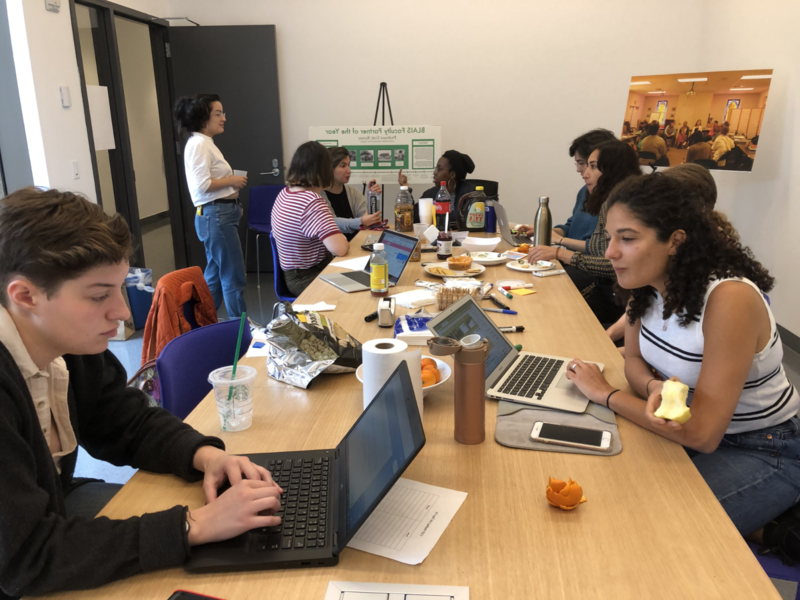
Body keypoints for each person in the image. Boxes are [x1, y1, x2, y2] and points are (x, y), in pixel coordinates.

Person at [0, 188, 282, 597]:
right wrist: (193, 525)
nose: (122, 312)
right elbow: (24, 558)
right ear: (25, 296)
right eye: (99, 296)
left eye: (120, 288)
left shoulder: (65, 343)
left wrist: (204, 455)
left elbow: (123, 419)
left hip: (46, 517)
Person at [565, 173, 800, 555]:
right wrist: (650, 388)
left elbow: (703, 434)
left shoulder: (728, 300)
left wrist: (606, 395)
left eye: (627, 238)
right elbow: (636, 359)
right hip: (691, 429)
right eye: (610, 237)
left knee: (649, 536)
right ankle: (759, 527)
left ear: (674, 241)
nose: (610, 252)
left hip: (762, 447)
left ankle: (770, 524)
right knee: (603, 491)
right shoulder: (648, 283)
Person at [605, 163, 718, 351]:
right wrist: (608, 338)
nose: (610, 252)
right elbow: (643, 351)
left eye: (627, 238)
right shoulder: (651, 274)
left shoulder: (717, 284)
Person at [527, 140, 641, 325]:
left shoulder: (625, 207)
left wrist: (560, 251)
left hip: (614, 297)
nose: (584, 173)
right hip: (604, 290)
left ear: (614, 170)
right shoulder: (603, 201)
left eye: (592, 166)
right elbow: (590, 242)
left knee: (553, 313)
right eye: (584, 165)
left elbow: (610, 262)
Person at [175, 94, 248, 319]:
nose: (223, 118)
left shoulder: (204, 143)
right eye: (218, 114)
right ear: (202, 118)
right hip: (216, 215)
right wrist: (232, 182)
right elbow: (201, 186)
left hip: (218, 215)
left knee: (215, 274)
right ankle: (240, 330)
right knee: (233, 275)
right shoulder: (198, 144)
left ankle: (203, 325)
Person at [518, 129, 616, 253]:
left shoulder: (616, 200)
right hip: (572, 259)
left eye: (584, 164)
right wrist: (543, 231)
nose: (580, 170)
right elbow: (571, 226)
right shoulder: (585, 191)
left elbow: (600, 249)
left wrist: (560, 240)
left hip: (585, 265)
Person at [271, 141, 350, 297]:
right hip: (308, 276)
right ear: (323, 170)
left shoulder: (285, 193)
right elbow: (340, 249)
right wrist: (343, 240)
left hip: (294, 275)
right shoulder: (311, 202)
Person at [319, 146, 382, 241]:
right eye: (343, 166)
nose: (349, 171)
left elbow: (367, 220)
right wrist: (361, 222)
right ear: (329, 168)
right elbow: (332, 223)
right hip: (334, 252)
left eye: (348, 165)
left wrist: (372, 197)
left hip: (355, 245)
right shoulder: (318, 195)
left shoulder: (353, 192)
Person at [398, 150, 475, 226]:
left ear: (452, 174)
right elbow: (413, 218)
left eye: (439, 169)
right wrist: (405, 189)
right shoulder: (430, 194)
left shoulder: (470, 195)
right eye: (436, 168)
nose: (434, 172)